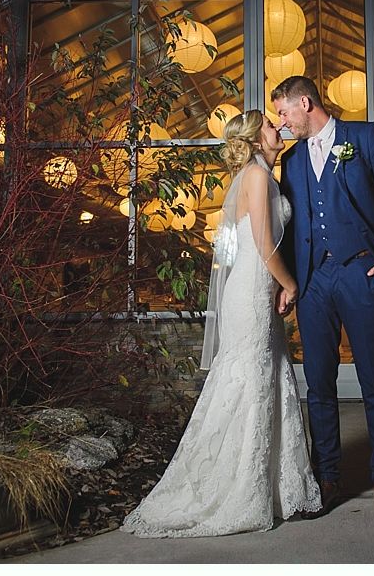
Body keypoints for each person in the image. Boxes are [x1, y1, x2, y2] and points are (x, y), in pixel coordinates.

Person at [120, 110, 321, 538]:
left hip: (253, 287)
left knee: (264, 381)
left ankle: (270, 487)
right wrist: (290, 285)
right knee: (250, 380)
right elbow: (264, 244)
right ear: (252, 139)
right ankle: (234, 486)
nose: (278, 128)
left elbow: (234, 244)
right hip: (251, 289)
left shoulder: (261, 176)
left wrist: (275, 285)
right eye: (270, 124)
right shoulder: (254, 177)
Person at [271, 76, 374, 523]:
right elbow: (294, 225)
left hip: (361, 272)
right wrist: (289, 281)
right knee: (319, 384)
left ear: (305, 103)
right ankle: (327, 479)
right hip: (314, 283)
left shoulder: (363, 137)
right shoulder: (291, 161)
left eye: (283, 112)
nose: (281, 122)